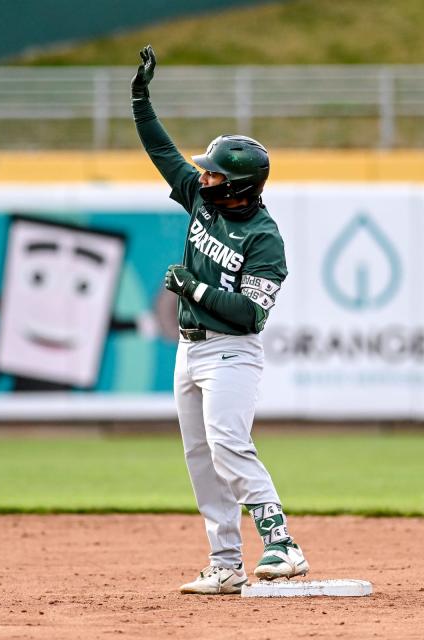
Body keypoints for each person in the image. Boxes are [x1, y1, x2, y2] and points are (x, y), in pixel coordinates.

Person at [131, 45, 309, 595]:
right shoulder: (202, 200)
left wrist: (194, 284)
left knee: (229, 442)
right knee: (200, 457)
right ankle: (225, 561)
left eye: (212, 173)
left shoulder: (265, 239)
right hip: (190, 349)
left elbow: (250, 315)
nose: (201, 176)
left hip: (232, 351)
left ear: (238, 186)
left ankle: (282, 543)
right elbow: (163, 153)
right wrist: (141, 99)